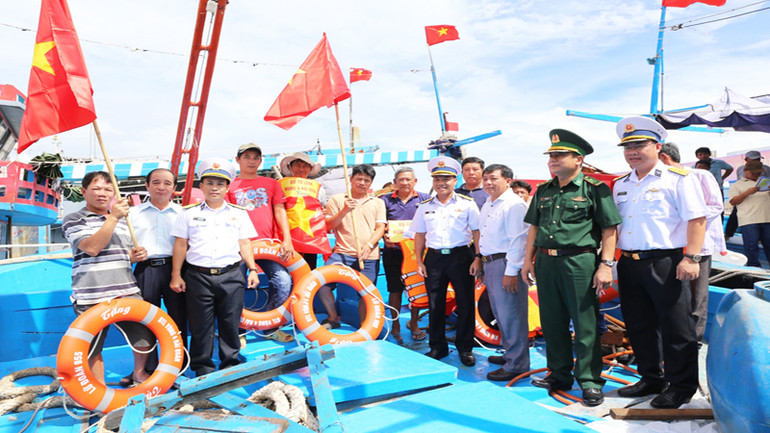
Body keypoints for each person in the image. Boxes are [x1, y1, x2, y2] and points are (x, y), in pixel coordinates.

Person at [520, 130, 621, 407]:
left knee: (585, 323)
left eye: (559, 155)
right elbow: (534, 228)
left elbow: (609, 229)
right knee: (552, 322)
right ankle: (559, 374)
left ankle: (589, 380)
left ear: (578, 159)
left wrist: (605, 265)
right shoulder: (544, 190)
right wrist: (528, 260)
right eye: (551, 155)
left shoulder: (594, 189)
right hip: (546, 261)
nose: (553, 159)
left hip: (579, 261)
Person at [613, 117, 706, 409]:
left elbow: (697, 219)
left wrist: (691, 257)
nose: (633, 152)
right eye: (627, 147)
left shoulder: (679, 178)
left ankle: (681, 386)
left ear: (657, 146)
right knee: (639, 325)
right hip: (629, 262)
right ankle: (651, 377)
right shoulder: (621, 184)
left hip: (666, 261)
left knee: (676, 327)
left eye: (640, 145)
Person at [170, 158, 260, 377]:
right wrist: (176, 275)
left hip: (231, 274)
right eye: (209, 183)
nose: (214, 188)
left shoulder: (239, 213)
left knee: (230, 322)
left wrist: (253, 269)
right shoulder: (188, 213)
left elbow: (244, 243)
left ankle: (230, 364)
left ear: (227, 188)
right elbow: (181, 245)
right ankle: (203, 368)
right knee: (201, 326)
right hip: (198, 277)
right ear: (201, 186)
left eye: (220, 184)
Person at [62, 171, 153, 385]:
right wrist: (113, 217)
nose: (102, 193)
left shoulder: (123, 222)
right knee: (93, 345)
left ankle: (139, 373)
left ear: (114, 193)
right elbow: (92, 248)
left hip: (125, 289)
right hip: (90, 292)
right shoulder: (73, 219)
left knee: (144, 336)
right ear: (84, 192)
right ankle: (100, 388)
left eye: (107, 189)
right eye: (96, 188)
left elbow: (121, 254)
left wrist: (134, 256)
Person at [409, 156, 480, 367]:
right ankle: (437, 347)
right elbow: (419, 235)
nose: (441, 183)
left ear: (455, 180)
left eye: (446, 179)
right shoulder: (424, 207)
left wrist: (478, 258)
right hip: (434, 258)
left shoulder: (467, 204)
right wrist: (419, 261)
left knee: (465, 303)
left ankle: (465, 348)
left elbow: (477, 232)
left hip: (462, 257)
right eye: (437, 179)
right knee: (435, 304)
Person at [228, 143, 295, 342]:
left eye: (255, 157)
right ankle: (238, 332)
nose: (251, 161)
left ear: (260, 161)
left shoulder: (272, 183)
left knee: (283, 281)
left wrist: (287, 239)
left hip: (268, 245)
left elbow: (280, 211)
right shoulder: (229, 185)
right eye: (246, 157)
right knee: (234, 287)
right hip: (238, 246)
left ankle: (271, 328)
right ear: (238, 160)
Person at [470, 164, 530, 382]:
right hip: (491, 263)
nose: (487, 183)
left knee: (512, 314)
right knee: (500, 313)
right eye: (485, 178)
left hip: (506, 263)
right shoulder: (489, 203)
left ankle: (517, 364)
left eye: (493, 178)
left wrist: (511, 272)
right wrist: (480, 259)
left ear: (508, 181)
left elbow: (519, 241)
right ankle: (510, 354)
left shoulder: (513, 205)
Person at [659, 143, 725, 343]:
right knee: (673, 293)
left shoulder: (700, 175)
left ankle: (694, 339)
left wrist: (683, 217)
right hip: (670, 246)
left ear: (663, 157)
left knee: (697, 295)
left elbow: (715, 206)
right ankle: (672, 335)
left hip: (698, 247)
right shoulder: (660, 180)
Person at [125, 168, 185, 385]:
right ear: (147, 185)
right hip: (145, 269)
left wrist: (179, 274)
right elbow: (122, 244)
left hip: (176, 270)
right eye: (156, 182)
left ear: (174, 188)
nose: (161, 187)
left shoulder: (182, 213)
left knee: (177, 320)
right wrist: (130, 256)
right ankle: (147, 369)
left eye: (167, 183)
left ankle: (177, 367)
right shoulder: (132, 214)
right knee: (145, 320)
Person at [318, 164, 386, 328]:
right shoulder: (337, 199)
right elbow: (328, 226)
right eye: (359, 179)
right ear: (351, 179)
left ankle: (365, 328)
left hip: (369, 256)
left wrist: (369, 245)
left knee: (367, 293)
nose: (362, 183)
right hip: (343, 253)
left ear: (371, 183)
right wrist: (344, 210)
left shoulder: (378, 202)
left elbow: (380, 228)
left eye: (367, 180)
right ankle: (333, 318)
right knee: (322, 285)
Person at [380, 167, 431, 344]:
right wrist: (384, 238)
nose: (405, 183)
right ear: (395, 182)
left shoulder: (425, 199)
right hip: (393, 252)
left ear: (415, 181)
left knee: (416, 289)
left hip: (417, 254)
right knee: (395, 290)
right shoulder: (384, 200)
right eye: (401, 179)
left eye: (408, 179)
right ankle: (395, 326)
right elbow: (379, 225)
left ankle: (414, 323)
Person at [279, 152, 327, 269]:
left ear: (310, 169)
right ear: (290, 167)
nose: (301, 169)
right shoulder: (279, 185)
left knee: (308, 271)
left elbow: (323, 208)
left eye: (305, 166)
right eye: (297, 165)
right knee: (285, 272)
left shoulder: (318, 187)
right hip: (285, 238)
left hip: (310, 239)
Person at [728, 159, 770, 268]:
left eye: (759, 173)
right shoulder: (737, 185)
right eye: (754, 173)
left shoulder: (765, 182)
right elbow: (733, 201)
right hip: (748, 220)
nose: (756, 175)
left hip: (767, 218)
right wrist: (747, 193)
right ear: (745, 171)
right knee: (751, 246)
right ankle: (754, 268)